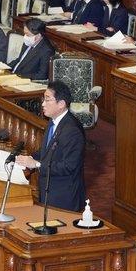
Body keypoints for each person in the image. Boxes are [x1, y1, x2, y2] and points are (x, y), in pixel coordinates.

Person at [16, 80, 86, 212]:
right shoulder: (54, 121)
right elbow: (47, 150)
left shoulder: (72, 130)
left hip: (64, 196)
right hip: (49, 190)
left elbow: (69, 166)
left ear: (61, 104)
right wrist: (28, 159)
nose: (43, 104)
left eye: (47, 100)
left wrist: (37, 165)